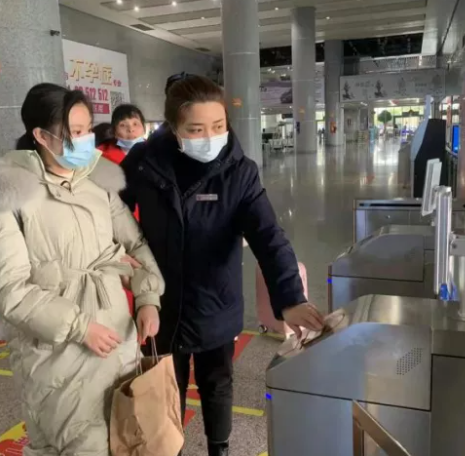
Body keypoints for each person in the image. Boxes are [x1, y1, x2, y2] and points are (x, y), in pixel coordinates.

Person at [121, 75, 324, 456]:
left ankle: (220, 449)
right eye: (195, 129)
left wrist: (290, 297)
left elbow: (269, 236)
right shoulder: (144, 165)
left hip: (216, 302)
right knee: (164, 387)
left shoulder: (239, 172)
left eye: (218, 126)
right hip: (160, 304)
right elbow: (112, 216)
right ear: (174, 128)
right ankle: (169, 449)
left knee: (217, 383)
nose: (209, 137)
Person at [0, 83, 165, 456]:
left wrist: (148, 297)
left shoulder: (97, 181)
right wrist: (80, 327)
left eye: (88, 129)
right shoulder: (4, 198)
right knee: (79, 444)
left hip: (119, 340)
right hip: (58, 356)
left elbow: (134, 243)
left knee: (126, 440)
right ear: (41, 136)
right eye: (75, 132)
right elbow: (10, 290)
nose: (86, 140)